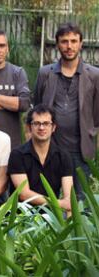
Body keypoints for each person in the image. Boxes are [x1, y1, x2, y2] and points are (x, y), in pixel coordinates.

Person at [34, 22, 99, 199]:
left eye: (73, 41)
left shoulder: (94, 75)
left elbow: (96, 113)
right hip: (50, 148)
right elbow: (37, 107)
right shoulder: (45, 73)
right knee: (47, 197)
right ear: (57, 44)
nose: (69, 46)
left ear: (81, 43)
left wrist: (91, 133)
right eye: (64, 41)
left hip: (81, 149)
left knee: (81, 200)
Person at [8, 104, 72, 214]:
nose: (41, 128)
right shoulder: (17, 155)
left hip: (52, 215)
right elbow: (24, 194)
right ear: (29, 127)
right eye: (37, 123)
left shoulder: (63, 156)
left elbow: (69, 197)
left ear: (53, 127)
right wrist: (59, 204)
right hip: (22, 217)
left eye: (46, 123)